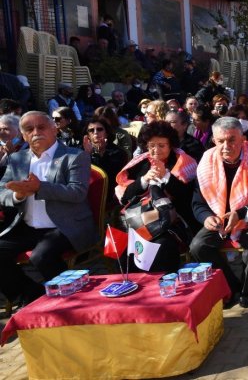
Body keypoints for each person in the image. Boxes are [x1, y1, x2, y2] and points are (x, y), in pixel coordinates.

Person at [0, 111, 94, 306]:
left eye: (41, 127)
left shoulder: (74, 156)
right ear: (23, 135)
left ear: (54, 129)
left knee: (41, 257)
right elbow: (2, 191)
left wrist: (39, 187)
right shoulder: (17, 159)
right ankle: (31, 297)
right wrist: (18, 195)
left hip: (64, 225)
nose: (35, 132)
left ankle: (73, 301)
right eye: (29, 129)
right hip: (26, 225)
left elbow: (77, 192)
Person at [190, 117, 248, 308]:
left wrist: (240, 213)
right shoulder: (206, 162)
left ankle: (247, 288)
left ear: (243, 139)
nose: (226, 146)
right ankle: (232, 284)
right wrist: (206, 218)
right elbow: (198, 202)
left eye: (231, 140)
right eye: (220, 141)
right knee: (198, 246)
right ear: (214, 141)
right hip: (220, 218)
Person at [115, 121, 199, 272]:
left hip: (173, 221)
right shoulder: (140, 164)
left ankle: (164, 285)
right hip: (140, 220)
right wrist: (144, 180)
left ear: (170, 145)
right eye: (152, 145)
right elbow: (125, 197)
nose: (156, 150)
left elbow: (187, 196)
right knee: (124, 247)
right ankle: (136, 288)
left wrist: (166, 176)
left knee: (160, 245)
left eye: (161, 145)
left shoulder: (184, 162)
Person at [83, 117, 126, 183]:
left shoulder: (118, 153)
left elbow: (109, 176)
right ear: (88, 135)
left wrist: (101, 152)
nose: (95, 132)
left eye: (99, 129)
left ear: (107, 133)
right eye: (91, 130)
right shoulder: (81, 150)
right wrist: (87, 155)